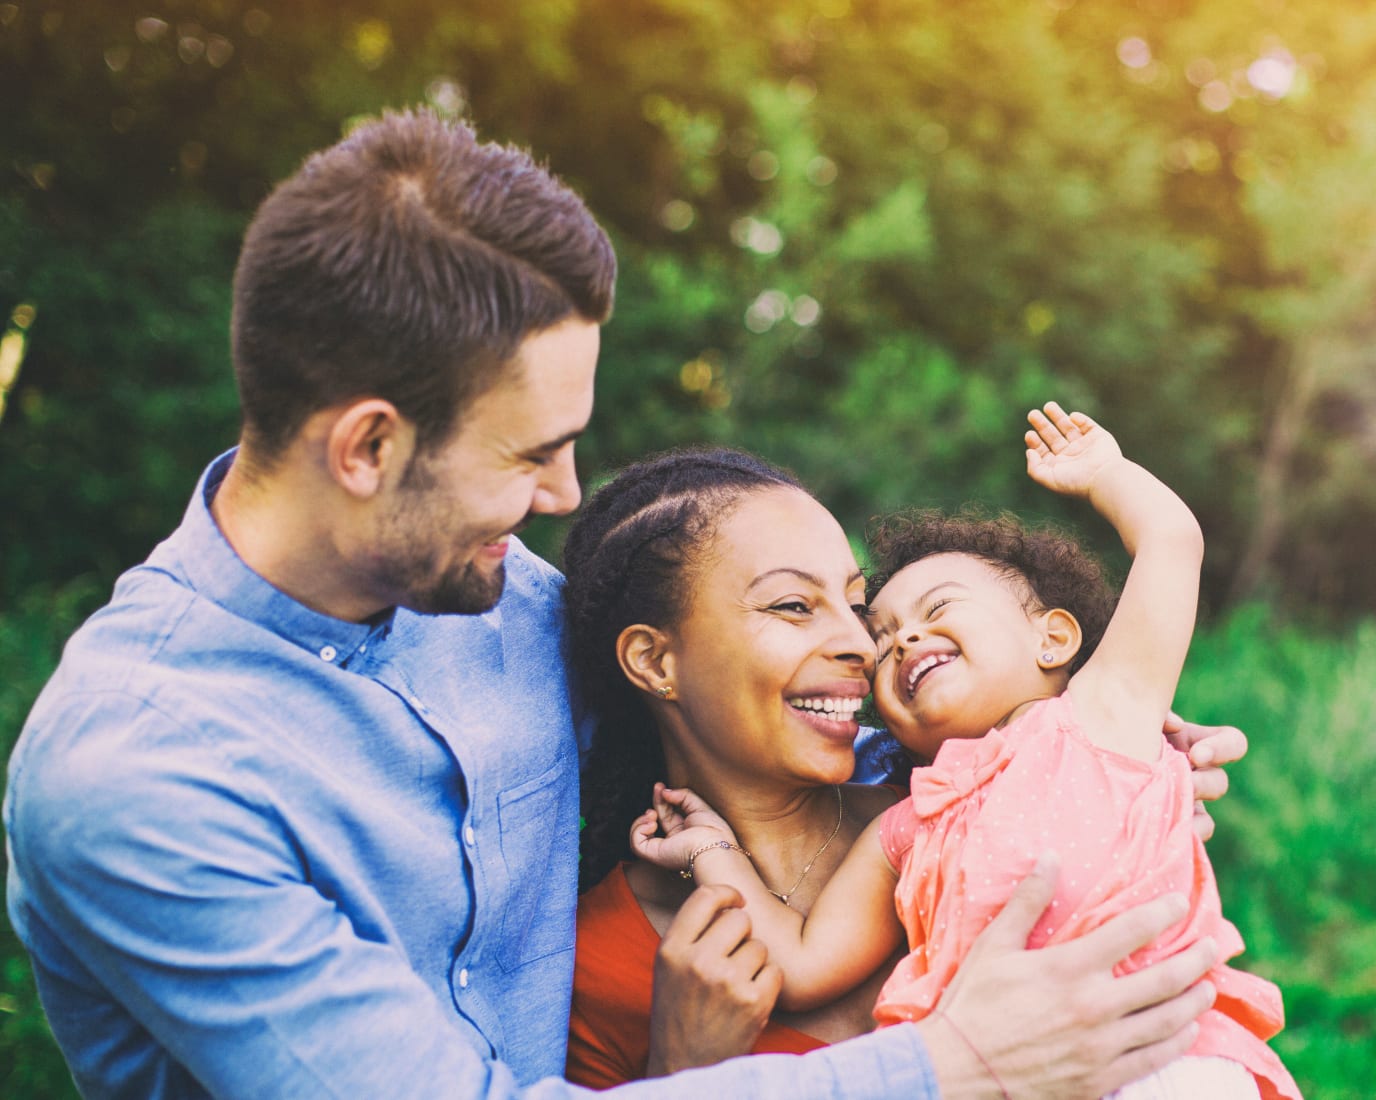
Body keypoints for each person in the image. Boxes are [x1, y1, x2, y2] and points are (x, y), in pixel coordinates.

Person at [3, 111, 1241, 1098]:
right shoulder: (139, 778)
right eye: (529, 452)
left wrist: (1063, 738)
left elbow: (769, 712)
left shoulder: (506, 606)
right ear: (368, 447)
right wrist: (954, 1065)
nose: (562, 496)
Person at [633, 404, 1299, 1099]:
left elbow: (1171, 541)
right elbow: (800, 968)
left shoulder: (1105, 714)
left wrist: (1105, 474)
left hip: (1159, 1061)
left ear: (1055, 641)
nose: (903, 642)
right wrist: (713, 851)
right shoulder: (909, 824)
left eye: (937, 609)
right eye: (884, 640)